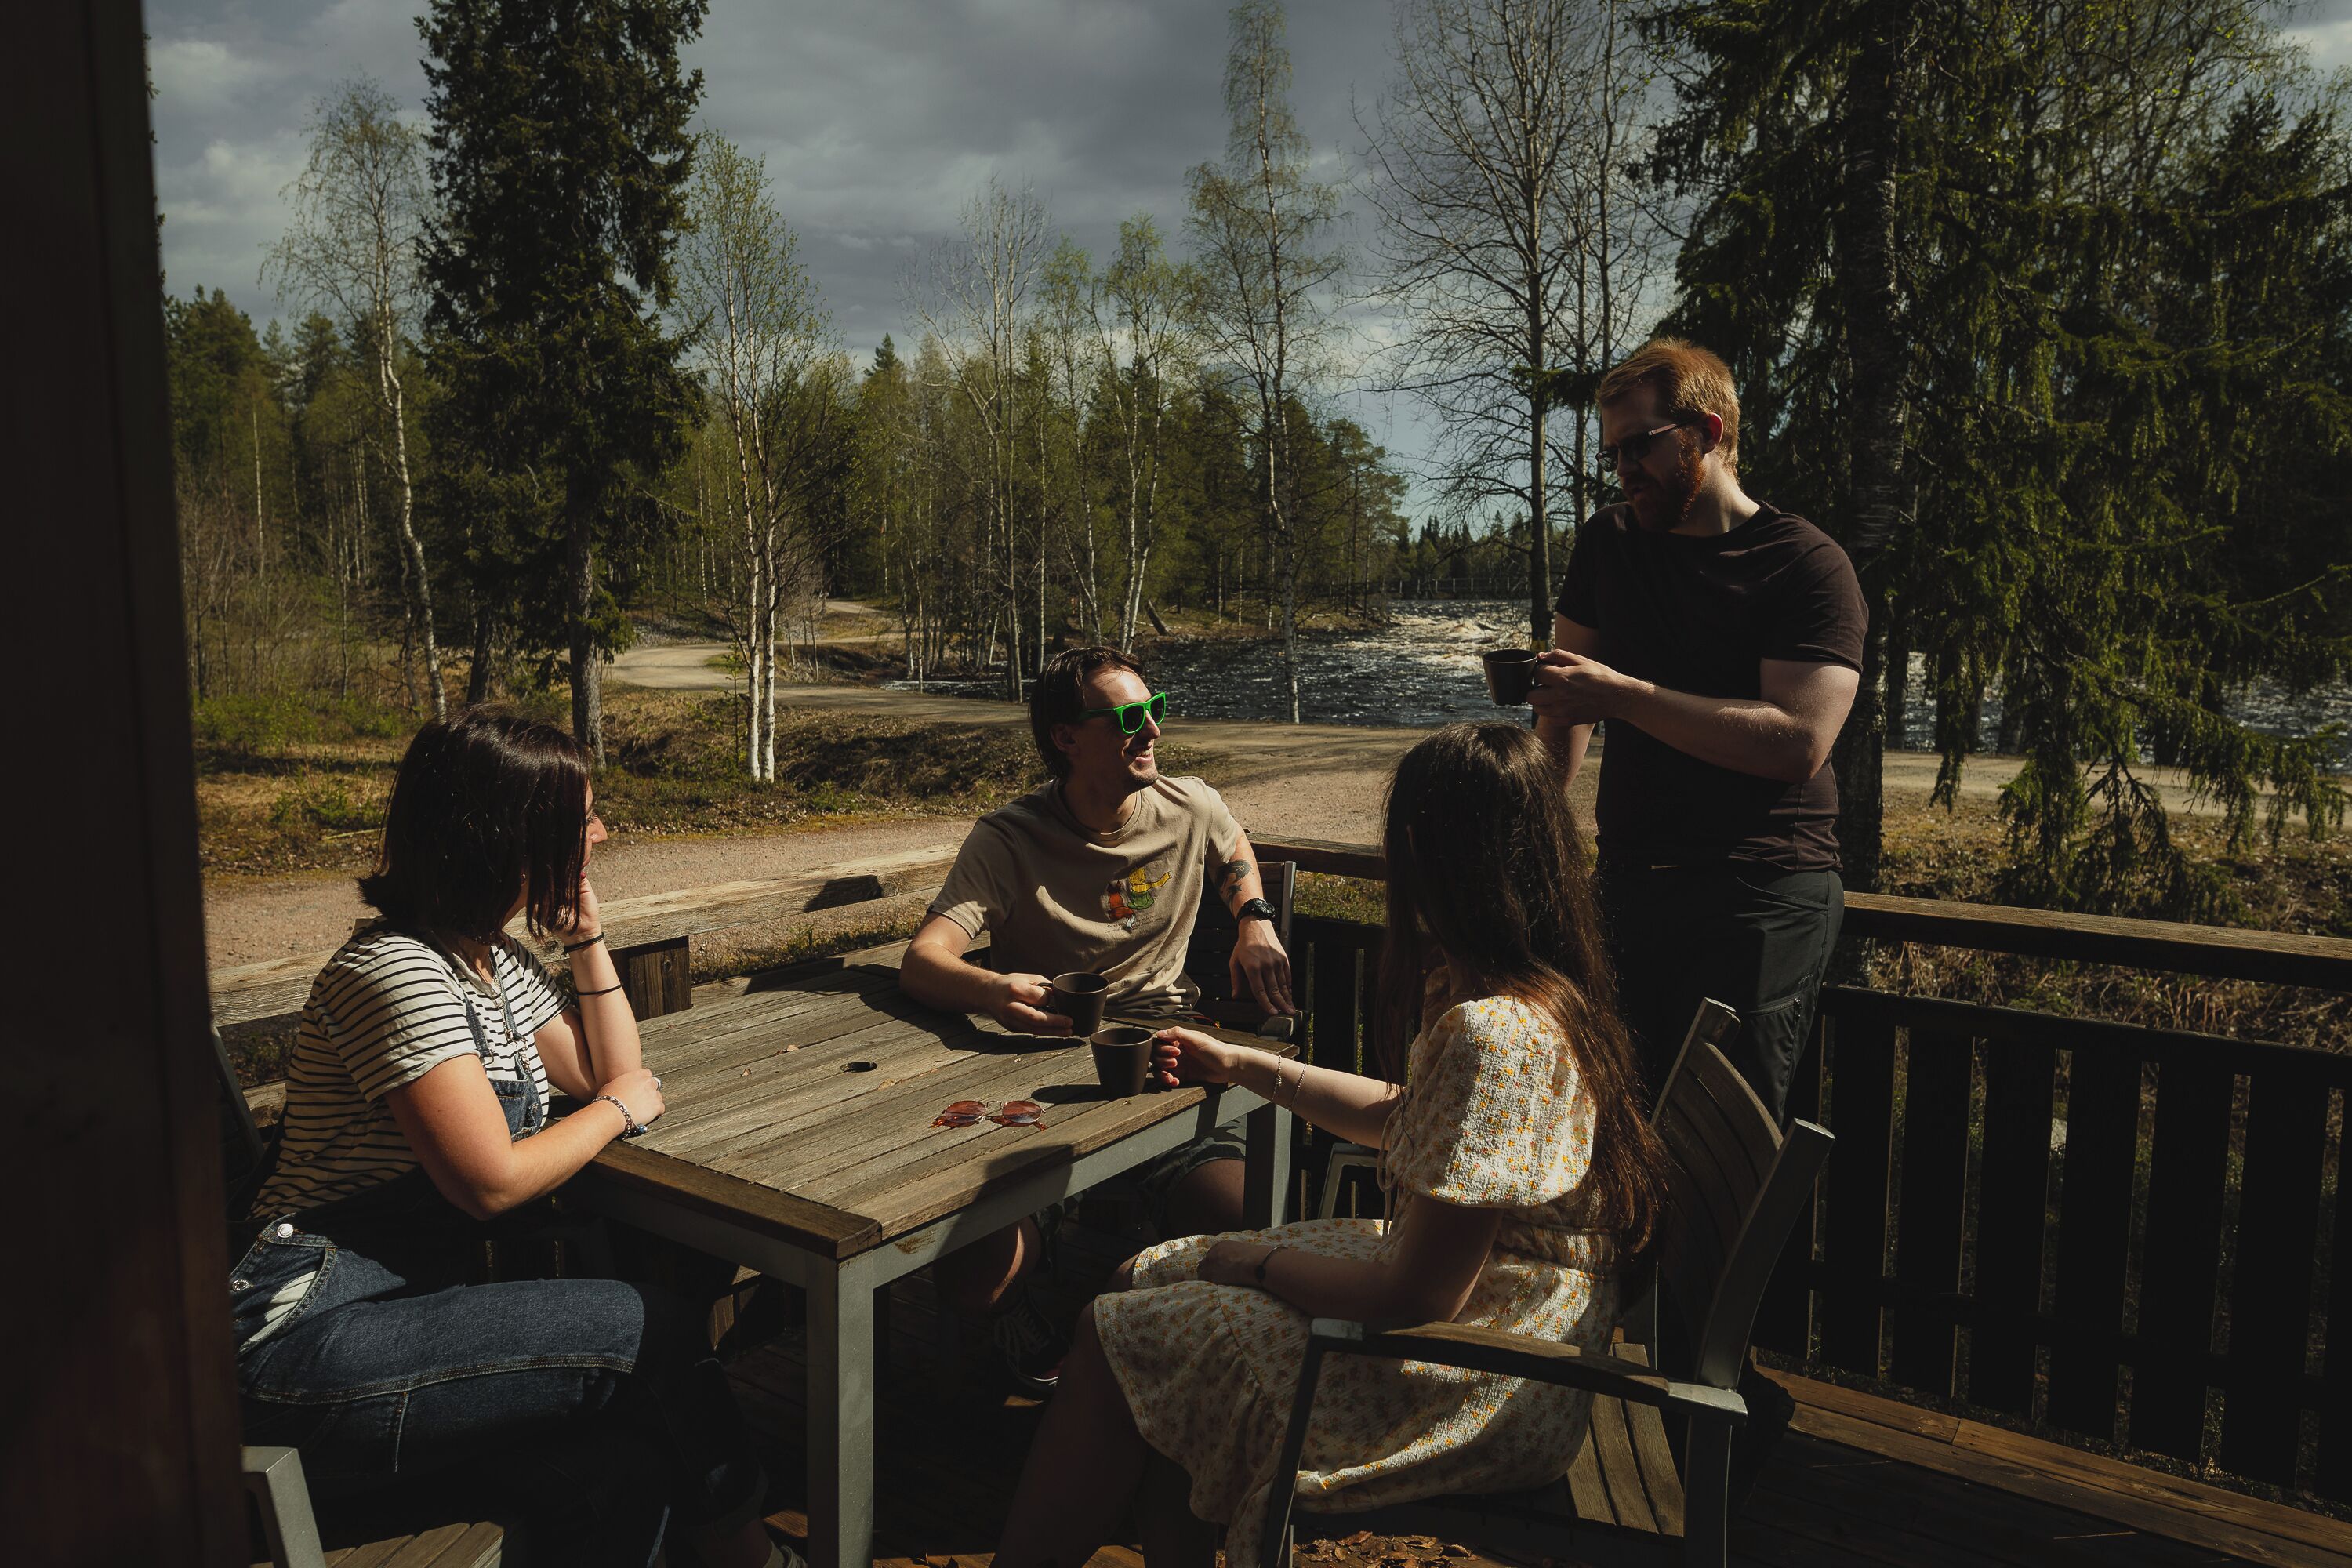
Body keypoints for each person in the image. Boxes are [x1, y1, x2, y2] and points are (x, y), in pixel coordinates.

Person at [989, 723, 1671, 1568]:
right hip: (1514, 1319)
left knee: (1120, 1325)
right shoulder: (1531, 985)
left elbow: (1418, 1297)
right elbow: (1412, 1117)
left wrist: (1256, 1264)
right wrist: (1246, 1064)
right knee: (1143, 1277)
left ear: (1429, 854)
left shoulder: (1495, 1032)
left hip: (1491, 1374)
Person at [229, 707, 789, 1568]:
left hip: (403, 1316)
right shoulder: (398, 970)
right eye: (582, 819)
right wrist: (619, 1112)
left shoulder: (489, 961)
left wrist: (588, 934)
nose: (600, 832)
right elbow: (490, 1180)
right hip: (304, 1342)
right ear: (511, 835)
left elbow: (608, 1066)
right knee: (654, 1331)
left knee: (624, 1462)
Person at [898, 644, 1298, 1393]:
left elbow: (1232, 843)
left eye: (1155, 710)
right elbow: (924, 961)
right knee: (969, 1265)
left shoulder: (1191, 804)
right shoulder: (1010, 838)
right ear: (1065, 738)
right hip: (1042, 1084)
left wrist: (1254, 918)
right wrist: (991, 990)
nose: (1150, 730)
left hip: (1173, 1061)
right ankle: (1030, 1327)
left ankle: (1171, 1355)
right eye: (1126, 717)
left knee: (1243, 1223)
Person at [1530, 337, 1864, 1124]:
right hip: (1629, 884)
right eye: (1612, 455)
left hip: (1760, 893)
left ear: (1708, 433)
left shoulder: (1805, 564)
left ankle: (1720, 1257)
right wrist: (1529, 848)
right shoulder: (1609, 544)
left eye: (1638, 446)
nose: (1623, 471)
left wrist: (1627, 695)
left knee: (1719, 1137)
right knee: (1612, 1126)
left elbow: (1797, 741)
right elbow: (1566, 706)